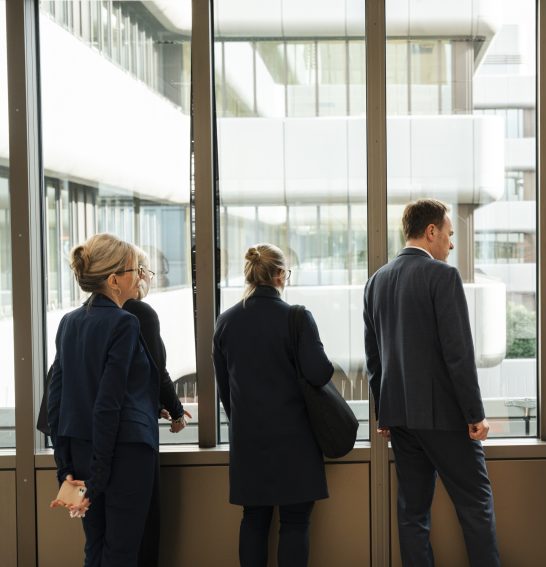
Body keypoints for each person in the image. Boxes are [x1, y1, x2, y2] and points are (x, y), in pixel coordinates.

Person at [363, 198, 500, 567]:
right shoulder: (442, 276)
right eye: (449, 235)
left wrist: (383, 414)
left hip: (400, 417)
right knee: (475, 504)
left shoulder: (376, 281)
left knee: (413, 513)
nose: (451, 244)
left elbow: (374, 359)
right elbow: (458, 354)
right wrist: (475, 414)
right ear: (431, 231)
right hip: (445, 418)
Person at [213, 243, 334, 567]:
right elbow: (319, 373)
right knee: (295, 522)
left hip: (249, 442)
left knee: (253, 520)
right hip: (295, 440)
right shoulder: (297, 317)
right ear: (280, 275)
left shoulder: (226, 322)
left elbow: (225, 391)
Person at [47, 233, 160, 566]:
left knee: (94, 547)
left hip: (81, 452)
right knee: (121, 552)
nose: (139, 277)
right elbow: (108, 403)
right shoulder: (125, 323)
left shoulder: (69, 322)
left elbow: (56, 400)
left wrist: (65, 469)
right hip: (124, 453)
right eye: (134, 270)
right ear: (114, 280)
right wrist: (96, 480)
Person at [124, 246, 192, 567]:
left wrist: (155, 405)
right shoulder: (140, 313)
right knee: (144, 525)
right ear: (138, 274)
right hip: (135, 436)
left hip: (99, 437)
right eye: (149, 272)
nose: (150, 279)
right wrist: (176, 411)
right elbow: (156, 370)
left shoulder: (87, 314)